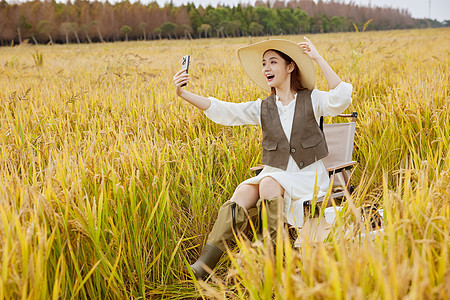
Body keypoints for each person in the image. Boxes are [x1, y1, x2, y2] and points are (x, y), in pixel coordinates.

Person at [172, 37, 352, 279]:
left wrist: (317, 58)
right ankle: (205, 265)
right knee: (243, 193)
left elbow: (341, 97)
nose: (266, 67)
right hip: (276, 175)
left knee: (266, 182)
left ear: (290, 67)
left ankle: (272, 260)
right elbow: (225, 111)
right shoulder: (264, 107)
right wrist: (183, 94)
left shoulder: (313, 99)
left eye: (273, 61)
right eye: (264, 63)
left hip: (308, 177)